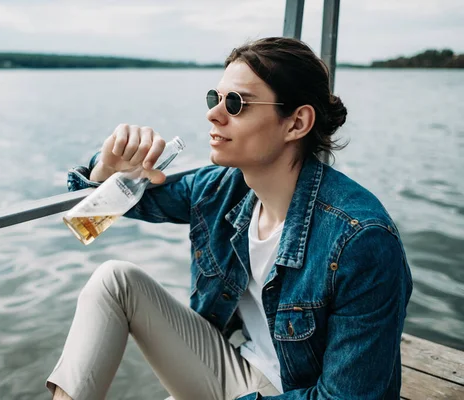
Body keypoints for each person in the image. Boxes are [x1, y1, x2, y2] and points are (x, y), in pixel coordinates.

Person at [46, 37, 413, 400]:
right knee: (115, 281)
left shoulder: (359, 239)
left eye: (236, 104)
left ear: (296, 123)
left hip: (298, 392)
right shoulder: (222, 188)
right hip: (235, 365)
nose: (213, 114)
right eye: (214, 98)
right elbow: (104, 209)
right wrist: (106, 166)